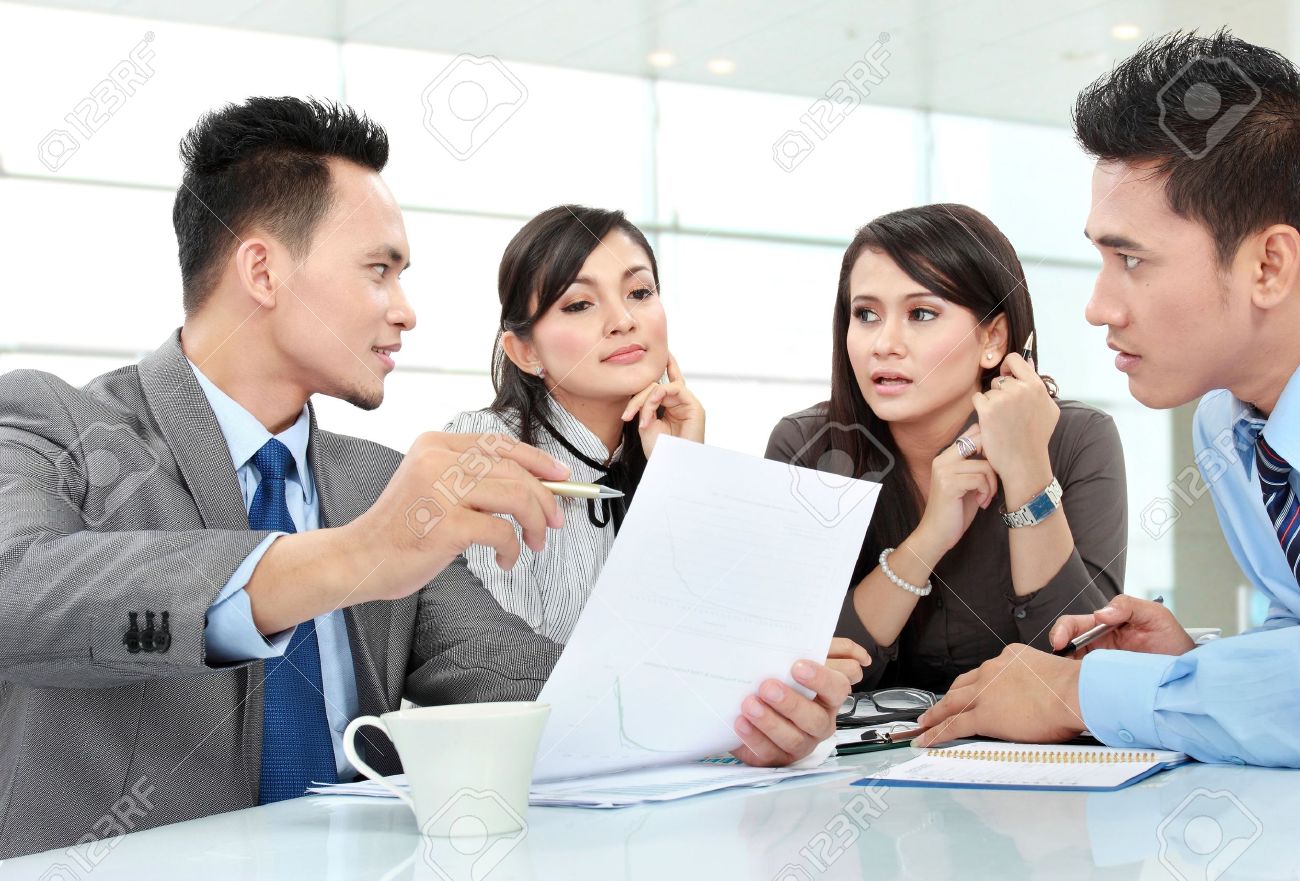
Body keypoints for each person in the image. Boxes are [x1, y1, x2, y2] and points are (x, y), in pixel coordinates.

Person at [0, 98, 850, 858]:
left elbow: (513, 670)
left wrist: (727, 716)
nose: (406, 307)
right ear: (262, 271)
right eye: (380, 268)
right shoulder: (56, 425)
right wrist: (352, 558)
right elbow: (20, 595)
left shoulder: (374, 478)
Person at [914, 30, 1300, 768]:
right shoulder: (1228, 424)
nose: (1098, 307)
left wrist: (1085, 694)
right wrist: (1183, 667)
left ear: (1268, 264)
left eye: (1131, 259)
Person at [447, 204, 871, 677]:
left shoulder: (655, 451)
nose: (623, 320)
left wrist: (683, 470)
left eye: (639, 292)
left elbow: (712, 632)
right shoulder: (484, 448)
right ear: (525, 351)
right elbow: (498, 665)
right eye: (579, 304)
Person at [766, 203, 1128, 693]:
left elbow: (1079, 658)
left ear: (993, 338)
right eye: (866, 314)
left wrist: (1026, 472)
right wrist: (928, 538)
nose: (885, 343)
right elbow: (807, 670)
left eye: (920, 313)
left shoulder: (1078, 439)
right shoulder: (808, 448)